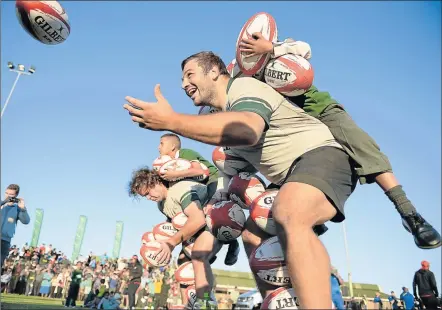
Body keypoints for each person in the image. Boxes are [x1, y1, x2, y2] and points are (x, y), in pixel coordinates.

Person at [123, 52, 358, 308]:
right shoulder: (219, 117)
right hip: (288, 177)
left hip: (322, 154)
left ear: (214, 71)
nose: (183, 84)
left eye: (189, 75)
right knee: (253, 234)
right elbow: (233, 170)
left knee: (289, 212)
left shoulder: (242, 88)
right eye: (181, 79)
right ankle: (277, 302)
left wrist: (172, 121)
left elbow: (247, 130)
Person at [235, 33, 440, 250]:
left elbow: (305, 48)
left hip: (320, 111)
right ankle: (310, 224)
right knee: (279, 175)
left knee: (364, 148)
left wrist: (271, 48)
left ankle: (409, 214)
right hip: (294, 130)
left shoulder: (278, 49)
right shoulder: (246, 78)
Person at [128, 167, 221, 309]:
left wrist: (171, 243)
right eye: (144, 196)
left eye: (148, 192)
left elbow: (198, 220)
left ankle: (207, 302)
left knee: (199, 255)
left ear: (156, 181)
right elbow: (175, 226)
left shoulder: (179, 190)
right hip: (197, 230)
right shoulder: (161, 204)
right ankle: (187, 305)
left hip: (214, 220)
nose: (148, 198)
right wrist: (156, 240)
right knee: (182, 265)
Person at [157, 133, 240, 266]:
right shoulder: (166, 164)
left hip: (213, 181)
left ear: (173, 146)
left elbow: (203, 172)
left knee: (210, 211)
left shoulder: (185, 154)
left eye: (161, 143)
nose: (158, 147)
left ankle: (231, 242)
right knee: (190, 217)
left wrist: (176, 174)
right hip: (197, 188)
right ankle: (205, 250)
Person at [1, 184, 30, 268]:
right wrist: (4, 202)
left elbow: (26, 221)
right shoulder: (2, 204)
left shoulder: (17, 208)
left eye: (11, 195)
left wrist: (23, 209)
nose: (8, 196)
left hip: (4, 241)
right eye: (6, 193)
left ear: (16, 196)